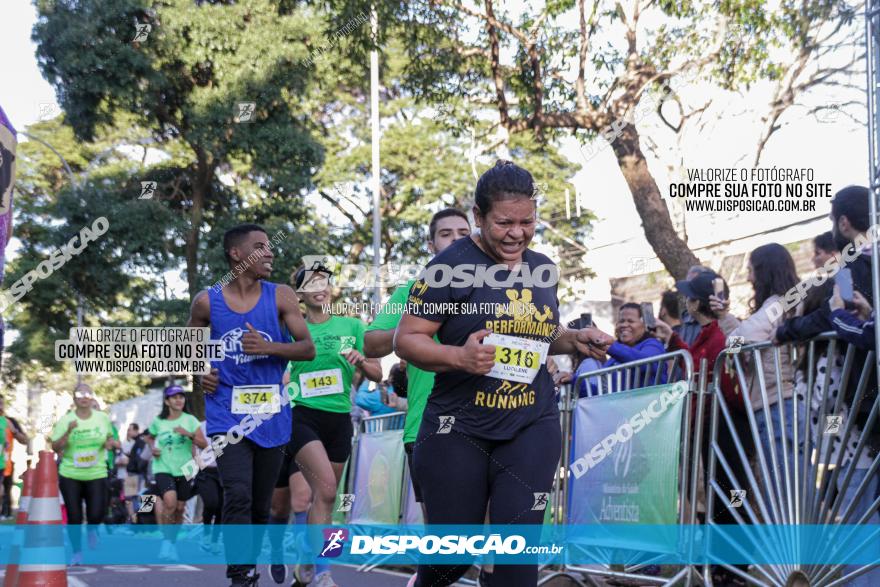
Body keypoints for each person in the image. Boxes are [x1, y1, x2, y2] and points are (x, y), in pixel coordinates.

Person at [395, 160, 613, 587]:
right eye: (504, 222)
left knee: (514, 555)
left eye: (527, 221)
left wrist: (573, 339)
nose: (517, 233)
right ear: (478, 217)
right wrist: (460, 357)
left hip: (531, 419)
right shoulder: (448, 268)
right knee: (450, 560)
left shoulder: (542, 267)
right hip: (459, 427)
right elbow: (407, 339)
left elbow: (539, 330)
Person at [188, 223, 316, 587]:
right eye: (260, 246)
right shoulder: (205, 301)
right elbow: (191, 352)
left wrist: (270, 347)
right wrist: (201, 374)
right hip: (226, 414)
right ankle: (240, 575)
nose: (270, 252)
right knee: (238, 494)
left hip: (271, 416)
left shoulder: (282, 296)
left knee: (261, 505)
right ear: (236, 254)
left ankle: (250, 564)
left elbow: (307, 348)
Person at [268, 264, 382, 587]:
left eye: (325, 281)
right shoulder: (294, 330)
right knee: (325, 490)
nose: (320, 287)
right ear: (300, 294)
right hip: (302, 415)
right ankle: (324, 574)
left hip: (339, 419)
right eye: (311, 283)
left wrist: (362, 361)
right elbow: (275, 368)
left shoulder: (352, 325)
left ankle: (309, 561)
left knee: (327, 501)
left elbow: (378, 374)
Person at [364, 207, 471, 521]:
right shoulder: (412, 292)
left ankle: (486, 573)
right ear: (431, 244)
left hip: (485, 422)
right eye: (445, 234)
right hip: (428, 423)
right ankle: (432, 572)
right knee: (442, 531)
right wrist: (415, 329)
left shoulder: (491, 289)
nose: (455, 241)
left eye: (463, 234)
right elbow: (370, 343)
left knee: (488, 528)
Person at [652, 271, 752, 586]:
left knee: (730, 492)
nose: (687, 301)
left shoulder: (720, 332)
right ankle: (718, 562)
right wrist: (674, 341)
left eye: (691, 295)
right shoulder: (707, 333)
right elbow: (697, 362)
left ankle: (734, 565)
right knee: (711, 494)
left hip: (726, 423)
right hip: (708, 424)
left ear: (700, 301)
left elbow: (718, 373)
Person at [710, 243, 801, 467]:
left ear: (764, 271)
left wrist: (733, 337)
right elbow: (742, 338)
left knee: (785, 484)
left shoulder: (778, 302)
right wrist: (724, 316)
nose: (749, 278)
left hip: (778, 400)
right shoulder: (782, 302)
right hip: (772, 399)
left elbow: (744, 337)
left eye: (751, 270)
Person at [49, 383, 120, 566]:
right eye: (80, 393)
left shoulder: (102, 418)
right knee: (74, 516)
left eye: (87, 393)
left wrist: (111, 443)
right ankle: (77, 552)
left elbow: (110, 438)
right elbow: (55, 446)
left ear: (91, 397)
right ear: (74, 398)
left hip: (96, 472)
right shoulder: (66, 420)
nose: (84, 396)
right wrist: (68, 432)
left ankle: (92, 529)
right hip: (70, 473)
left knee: (97, 513)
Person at [145, 385, 206, 562]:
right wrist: (153, 447)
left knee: (180, 508)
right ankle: (166, 542)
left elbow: (203, 444)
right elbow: (149, 437)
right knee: (170, 502)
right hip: (163, 467)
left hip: (185, 469)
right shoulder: (159, 421)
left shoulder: (191, 420)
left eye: (181, 396)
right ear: (167, 401)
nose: (179, 400)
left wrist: (188, 434)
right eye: (174, 397)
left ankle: (171, 543)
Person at [573, 302, 668, 395]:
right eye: (621, 321)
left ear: (643, 325)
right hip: (618, 408)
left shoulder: (653, 344)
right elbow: (602, 393)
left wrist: (608, 343)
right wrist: (573, 381)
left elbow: (646, 363)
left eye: (630, 321)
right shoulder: (613, 358)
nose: (624, 325)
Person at [195, 420, 223, 555]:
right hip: (206, 472)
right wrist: (200, 464)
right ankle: (206, 535)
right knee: (212, 503)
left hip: (224, 472)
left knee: (221, 508)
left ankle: (215, 540)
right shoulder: (200, 426)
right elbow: (193, 448)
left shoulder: (230, 423)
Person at [0, 396, 27, 520]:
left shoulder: (9, 421)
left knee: (5, 490)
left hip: (6, 463)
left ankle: (6, 513)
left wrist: (14, 431)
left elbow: (24, 440)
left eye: (2, 404)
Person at [677, 265, 713, 346]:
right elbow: (686, 354)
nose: (687, 298)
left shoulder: (730, 323)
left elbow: (735, 355)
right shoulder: (687, 321)